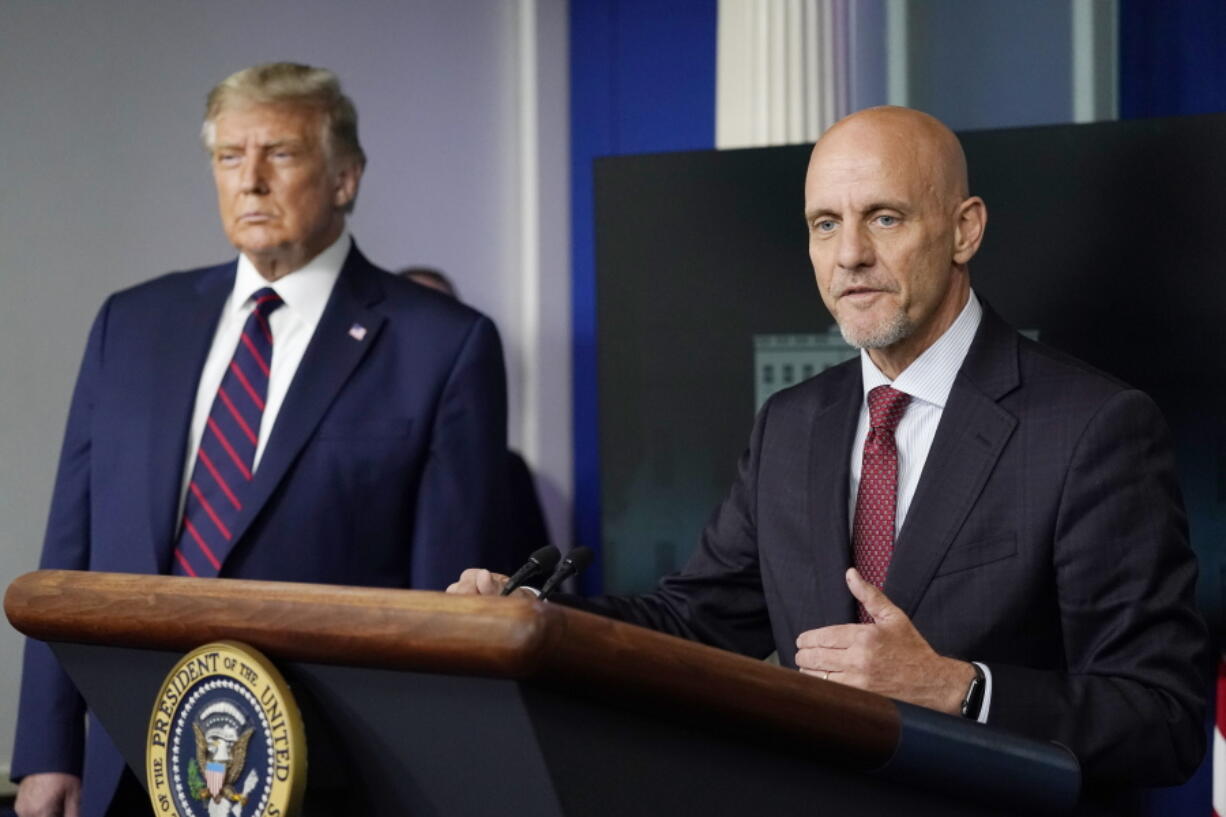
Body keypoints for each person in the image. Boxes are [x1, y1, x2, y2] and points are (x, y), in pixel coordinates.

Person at [449, 106, 1208, 790]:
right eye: (824, 224)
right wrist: (534, 620)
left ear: (964, 229)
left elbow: (1162, 713)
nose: (849, 255)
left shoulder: (1091, 427)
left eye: (883, 218)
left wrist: (958, 688)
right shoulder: (792, 422)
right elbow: (695, 620)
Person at [13, 63, 508, 817]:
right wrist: (48, 748)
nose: (250, 181)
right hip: (124, 761)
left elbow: (444, 609)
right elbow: (68, 551)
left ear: (345, 177)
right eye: (228, 157)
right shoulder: (132, 324)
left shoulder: (442, 345)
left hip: (328, 773)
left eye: (278, 153)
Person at [398, 265, 553, 565]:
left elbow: (538, 589)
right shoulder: (346, 461)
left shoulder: (510, 473)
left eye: (441, 318)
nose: (429, 340)